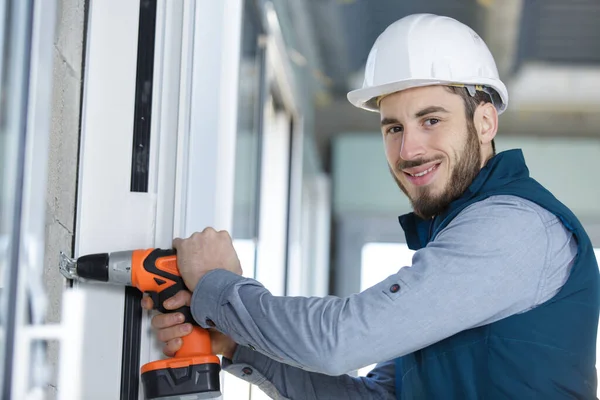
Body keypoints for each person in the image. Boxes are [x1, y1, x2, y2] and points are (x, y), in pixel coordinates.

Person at [142, 13, 600, 399]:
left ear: (483, 122)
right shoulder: (450, 258)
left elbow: (337, 341)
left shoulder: (513, 228)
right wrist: (240, 344)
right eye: (393, 128)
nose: (408, 150)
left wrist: (218, 289)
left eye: (431, 120)